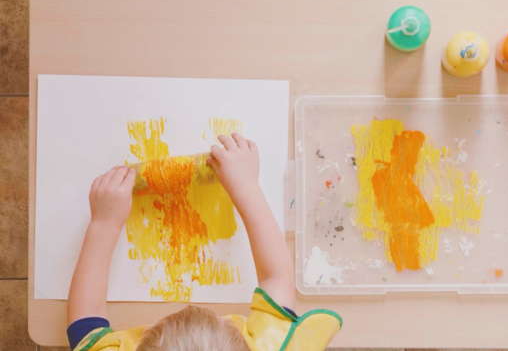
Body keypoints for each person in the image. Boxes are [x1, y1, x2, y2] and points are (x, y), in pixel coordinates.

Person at [66, 133, 342, 351]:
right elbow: (277, 277)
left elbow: (85, 325)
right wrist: (246, 185)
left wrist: (104, 224)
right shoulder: (270, 343)